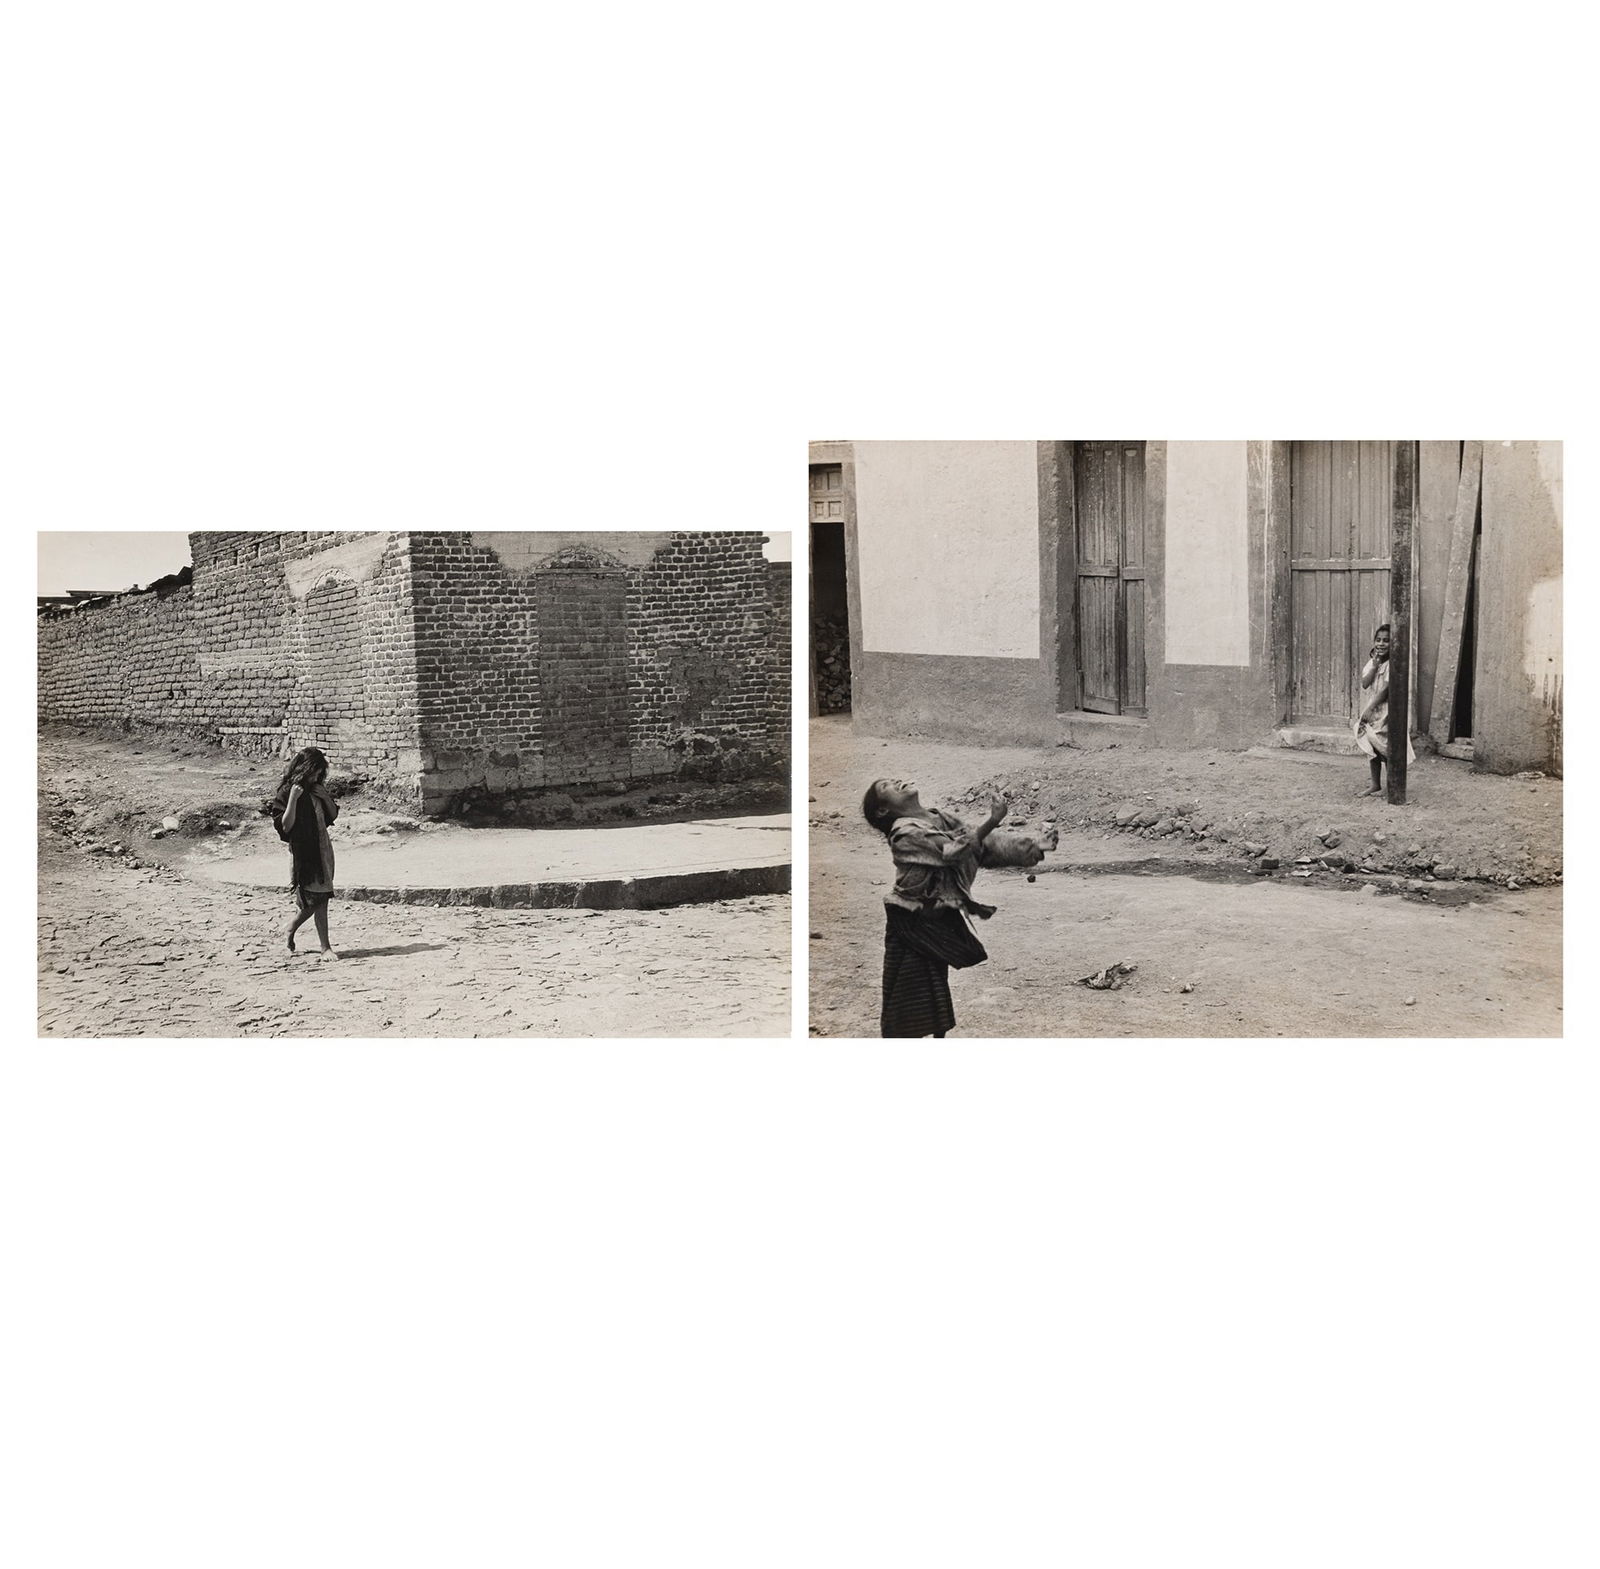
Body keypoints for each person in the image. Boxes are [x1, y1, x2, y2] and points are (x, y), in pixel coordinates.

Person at [862, 777, 1055, 1038]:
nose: (896, 782)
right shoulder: (903, 834)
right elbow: (954, 852)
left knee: (934, 993)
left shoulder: (937, 817)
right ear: (883, 810)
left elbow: (981, 846)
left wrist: (1032, 847)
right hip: (909, 921)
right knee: (905, 1003)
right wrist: (992, 820)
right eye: (886, 787)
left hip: (935, 919)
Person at [268, 747, 342, 957]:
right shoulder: (287, 791)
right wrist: (292, 799)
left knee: (318, 897)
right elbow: (285, 826)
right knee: (319, 898)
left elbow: (332, 815)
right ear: (305, 768)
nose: (317, 776)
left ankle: (291, 927)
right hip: (304, 852)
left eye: (320, 773)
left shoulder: (317, 789)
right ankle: (325, 947)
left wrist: (325, 796)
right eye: (314, 772)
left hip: (323, 848)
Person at [1355, 623, 1416, 796]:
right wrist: (1374, 667)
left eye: (1386, 641)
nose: (1381, 644)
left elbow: (1386, 690)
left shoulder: (1393, 665)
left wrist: (1370, 707)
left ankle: (1392, 786)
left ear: (1393, 644)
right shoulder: (1373, 663)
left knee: (1386, 747)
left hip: (1387, 711)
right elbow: (1365, 684)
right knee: (1371, 746)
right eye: (1378, 640)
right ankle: (1375, 784)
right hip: (1372, 709)